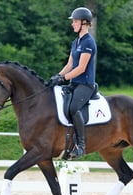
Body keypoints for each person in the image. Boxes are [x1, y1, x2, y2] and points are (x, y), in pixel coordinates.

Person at [49, 7, 97, 159]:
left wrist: (64, 78)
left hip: (86, 84)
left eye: (75, 21)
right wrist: (58, 76)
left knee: (74, 107)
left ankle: (81, 146)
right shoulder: (75, 42)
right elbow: (70, 64)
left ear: (84, 23)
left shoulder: (89, 42)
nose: (72, 24)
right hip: (75, 83)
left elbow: (81, 68)